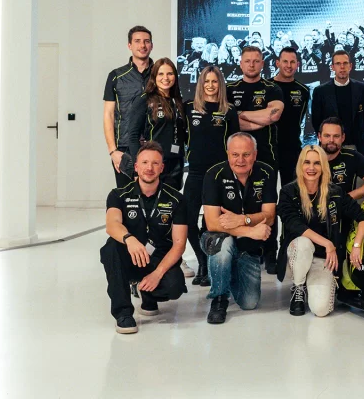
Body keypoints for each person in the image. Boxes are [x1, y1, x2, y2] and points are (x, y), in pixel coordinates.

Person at [100, 142, 187, 334]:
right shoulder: (118, 195)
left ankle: (147, 294)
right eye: (145, 163)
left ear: (162, 168)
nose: (150, 168)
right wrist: (129, 239)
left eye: (155, 163)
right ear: (136, 167)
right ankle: (123, 313)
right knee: (110, 249)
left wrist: (158, 273)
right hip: (129, 255)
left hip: (158, 258)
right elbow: (112, 224)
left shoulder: (176, 199)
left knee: (175, 287)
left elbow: (179, 244)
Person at [275, 145, 364, 316]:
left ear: (323, 167)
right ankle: (298, 287)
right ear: (300, 165)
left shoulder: (335, 192)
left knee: (321, 310)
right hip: (297, 254)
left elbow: (363, 217)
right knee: (304, 244)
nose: (311, 168)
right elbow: (295, 225)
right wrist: (328, 244)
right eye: (307, 162)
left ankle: (314, 283)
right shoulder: (288, 192)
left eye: (317, 163)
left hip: (323, 259)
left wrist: (357, 245)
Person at [201, 133, 277, 324]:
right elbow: (212, 223)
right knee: (223, 242)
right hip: (217, 239)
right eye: (235, 154)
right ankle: (219, 298)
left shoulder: (267, 173)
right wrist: (251, 229)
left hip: (248, 247)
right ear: (228, 154)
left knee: (249, 303)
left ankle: (230, 269)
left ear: (255, 154)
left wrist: (242, 219)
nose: (240, 160)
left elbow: (269, 217)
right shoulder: (213, 174)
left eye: (246, 154)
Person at [227, 45, 284, 274]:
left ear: (263, 63)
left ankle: (271, 252)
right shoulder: (230, 88)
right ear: (240, 63)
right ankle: (239, 248)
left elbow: (274, 115)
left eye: (256, 61)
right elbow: (229, 121)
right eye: (247, 60)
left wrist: (241, 115)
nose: (251, 64)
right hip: (237, 158)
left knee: (268, 204)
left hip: (267, 157)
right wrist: (258, 119)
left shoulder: (272, 88)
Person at [183, 66, 239, 286]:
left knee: (211, 223)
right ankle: (202, 262)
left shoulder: (229, 111)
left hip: (217, 175)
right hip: (195, 173)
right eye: (206, 81)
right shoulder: (189, 108)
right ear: (201, 83)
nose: (210, 85)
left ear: (220, 84)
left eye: (215, 81)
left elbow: (234, 144)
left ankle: (210, 266)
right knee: (187, 221)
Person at [103, 25, 153, 188]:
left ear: (151, 45)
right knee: (127, 200)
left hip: (154, 147)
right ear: (129, 45)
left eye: (146, 41)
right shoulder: (116, 76)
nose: (142, 45)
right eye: (137, 41)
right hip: (124, 149)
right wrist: (113, 152)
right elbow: (108, 115)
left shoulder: (160, 74)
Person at [128, 58, 186, 189]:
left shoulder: (178, 101)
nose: (165, 78)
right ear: (154, 76)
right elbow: (132, 136)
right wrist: (138, 168)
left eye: (170, 74)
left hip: (176, 163)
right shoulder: (144, 100)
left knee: (171, 205)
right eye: (161, 74)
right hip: (153, 164)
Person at [311, 51, 364, 158]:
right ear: (332, 67)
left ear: (351, 66)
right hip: (329, 147)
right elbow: (316, 121)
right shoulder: (320, 91)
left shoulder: (362, 89)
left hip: (356, 146)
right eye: (338, 64)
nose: (342, 67)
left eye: (345, 63)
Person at [272, 47, 311, 185]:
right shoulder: (266, 87)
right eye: (285, 61)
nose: (289, 66)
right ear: (277, 63)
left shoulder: (303, 91)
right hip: (268, 148)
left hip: (292, 148)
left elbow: (300, 121)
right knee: (264, 193)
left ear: (298, 65)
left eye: (292, 62)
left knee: (291, 192)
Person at [318, 118, 364, 199]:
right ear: (319, 137)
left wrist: (348, 198)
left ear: (343, 137)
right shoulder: (308, 157)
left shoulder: (352, 156)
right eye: (327, 136)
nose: (331, 140)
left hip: (344, 209)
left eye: (336, 136)